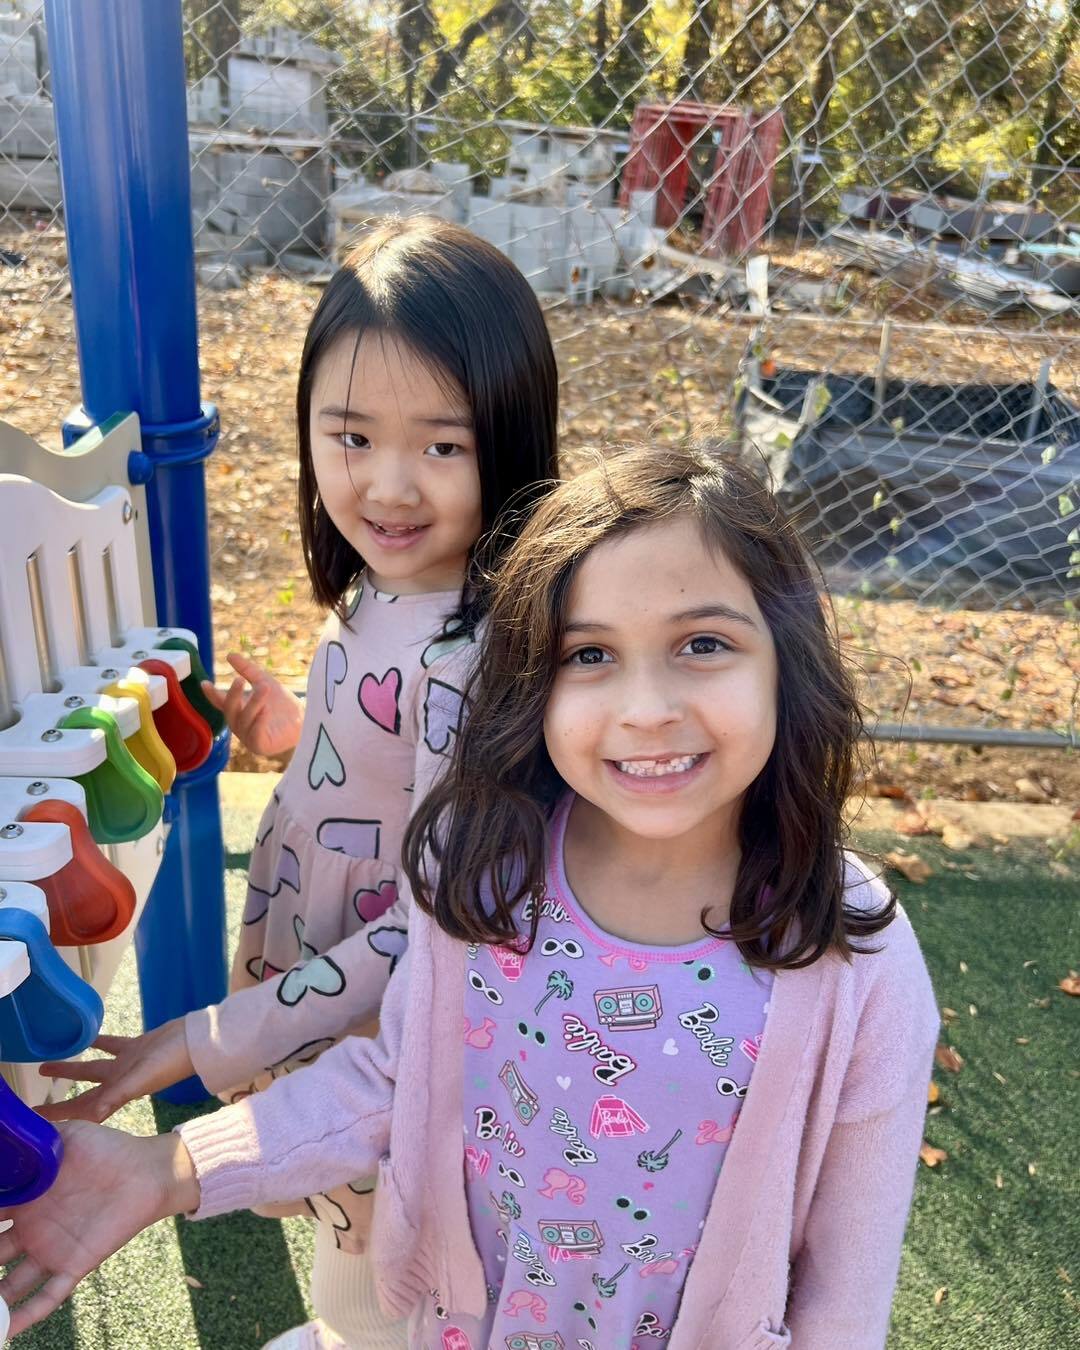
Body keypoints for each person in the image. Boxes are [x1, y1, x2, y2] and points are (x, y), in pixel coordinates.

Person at [1, 446, 939, 1349]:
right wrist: (170, 1168)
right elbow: (393, 1087)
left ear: (789, 655)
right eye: (590, 655)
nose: (646, 707)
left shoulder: (857, 959)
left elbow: (848, 1293)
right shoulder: (484, 876)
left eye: (702, 643)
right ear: (532, 682)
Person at [33, 214, 558, 1350]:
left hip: (376, 1007)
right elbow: (378, 761)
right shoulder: (391, 590)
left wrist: (203, 1038)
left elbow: (427, 936)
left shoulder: (473, 653)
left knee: (385, 1231)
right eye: (351, 435)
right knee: (347, 1222)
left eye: (444, 446)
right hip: (319, 959)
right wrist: (294, 727)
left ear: (511, 444)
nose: (388, 484)